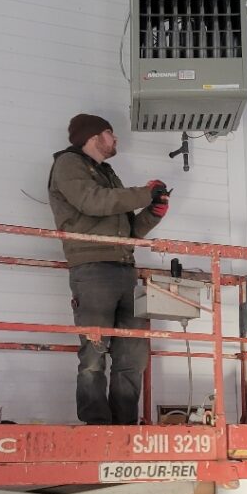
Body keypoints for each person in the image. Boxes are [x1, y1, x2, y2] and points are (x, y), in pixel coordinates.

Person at [48, 113, 170, 425]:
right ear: (93, 136)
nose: (115, 139)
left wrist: (153, 212)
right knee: (94, 352)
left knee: (133, 355)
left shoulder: (107, 173)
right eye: (110, 133)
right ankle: (97, 425)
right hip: (92, 269)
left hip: (125, 268)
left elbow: (128, 230)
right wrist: (144, 193)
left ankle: (125, 425)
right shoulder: (68, 164)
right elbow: (94, 202)